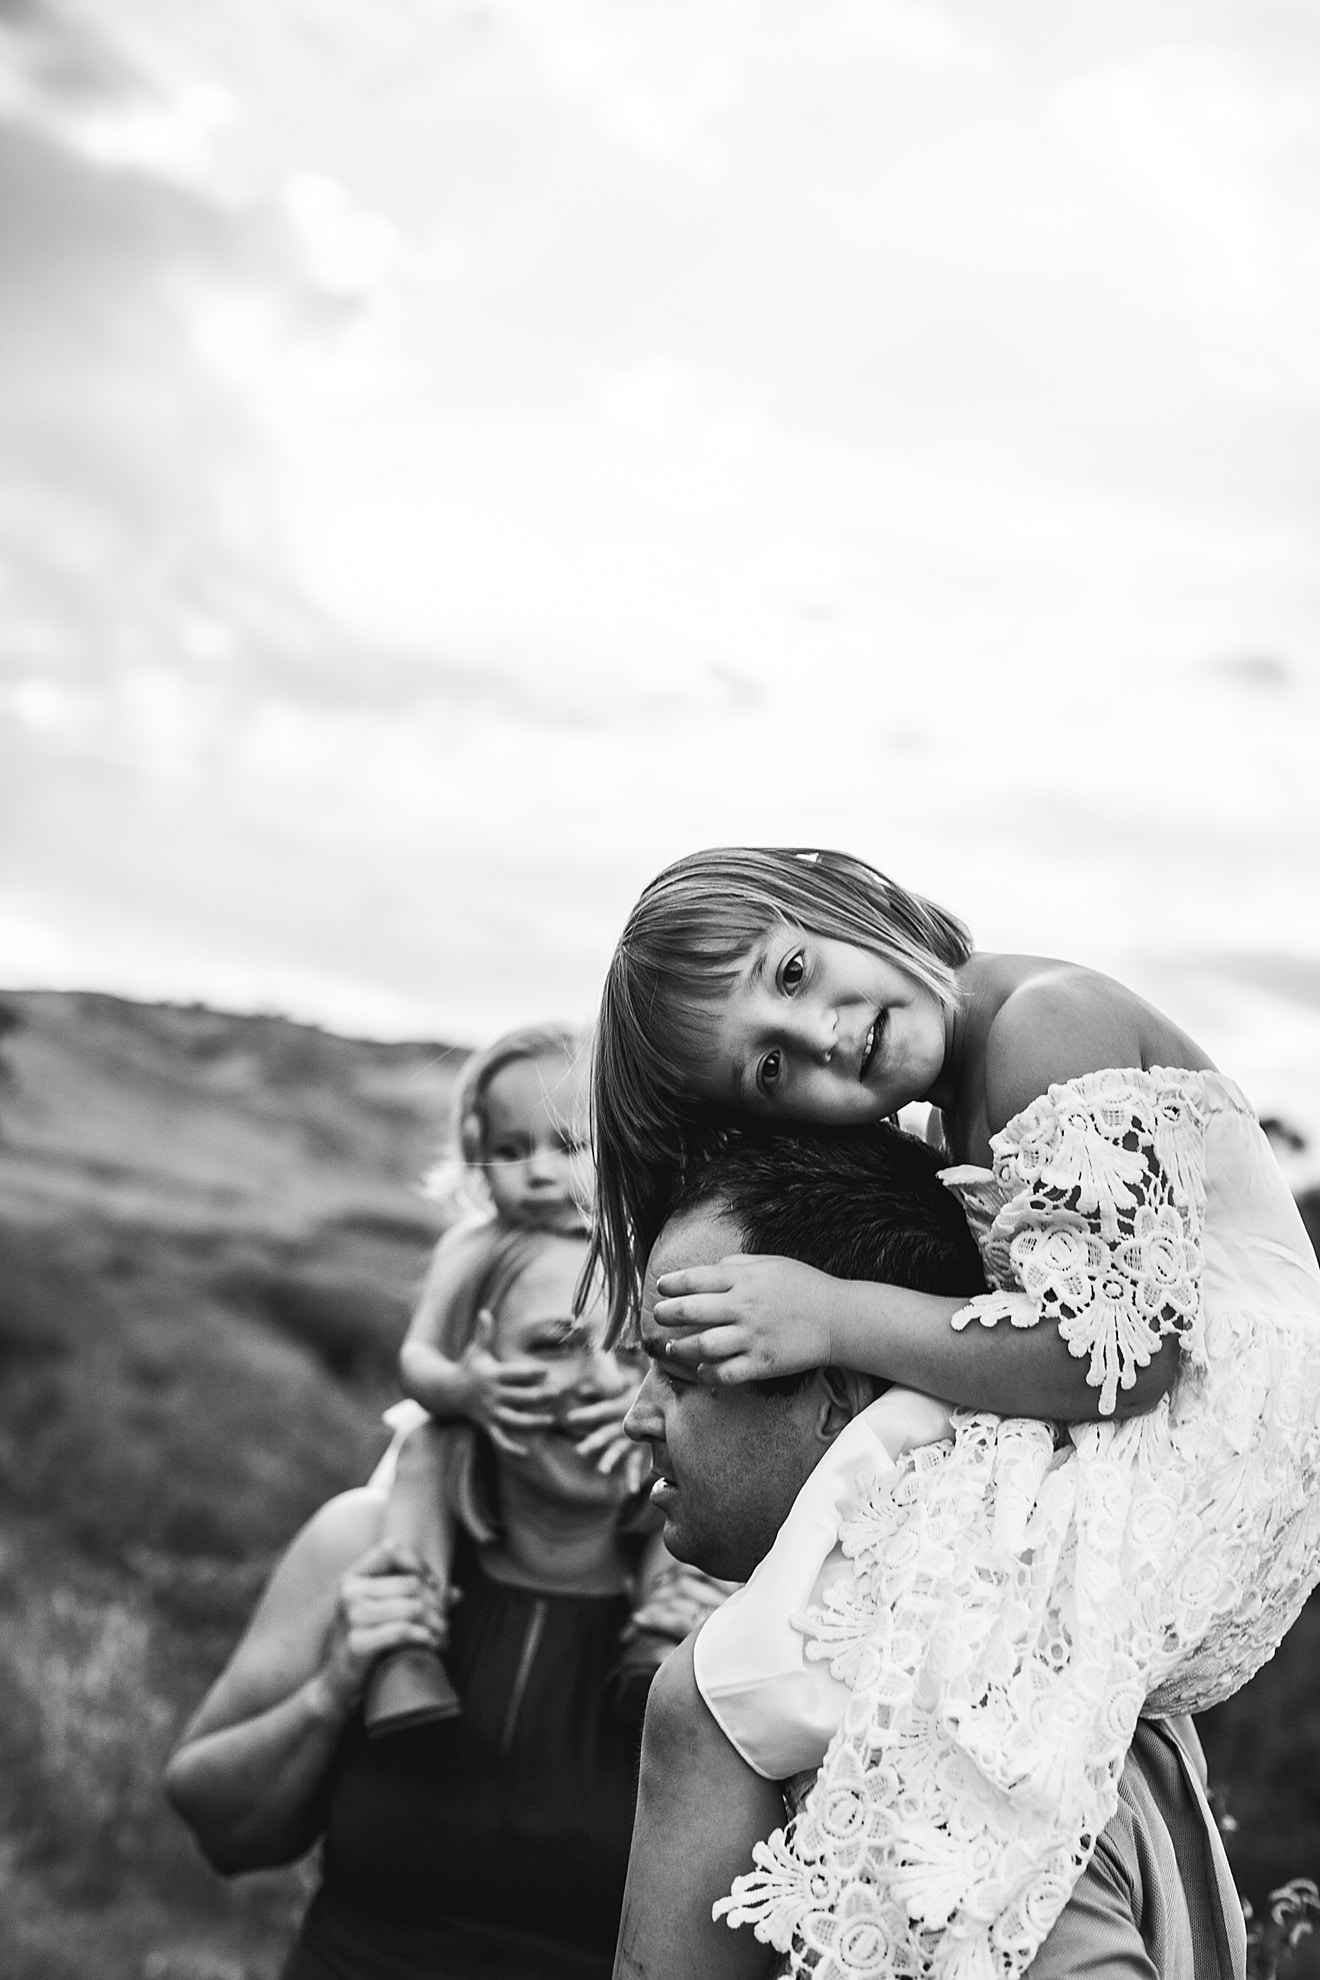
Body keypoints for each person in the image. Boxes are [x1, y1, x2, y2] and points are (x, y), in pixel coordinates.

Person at [588, 844, 1320, 1977]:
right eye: (772, 1073)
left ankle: (796, 1780)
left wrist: (832, 1313)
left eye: (789, 975)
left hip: (1207, 1430)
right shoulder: (966, 1098)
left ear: (840, 893)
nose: (821, 1036)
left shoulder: (1044, 1026)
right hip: (1165, 1437)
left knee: (892, 1610)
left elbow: (1117, 1352)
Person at [617, 1121, 1248, 1980]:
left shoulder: (966, 1751)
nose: (636, 1417)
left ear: (837, 1397)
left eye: (684, 1372)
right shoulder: (1077, 1650)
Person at [164, 1224, 703, 1980]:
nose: (598, 1386)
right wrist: (334, 1688)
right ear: (466, 1361)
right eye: (553, 1344)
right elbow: (222, 1830)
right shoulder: (362, 1542)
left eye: (633, 1354)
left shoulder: (726, 1597)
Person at [366, 1023, 643, 1731]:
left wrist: (638, 1396)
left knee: (670, 1463)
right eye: (510, 1152)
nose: (540, 1172)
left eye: (566, 1146)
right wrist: (464, 1390)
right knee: (425, 1450)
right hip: (471, 1427)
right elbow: (417, 1360)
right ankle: (404, 1647)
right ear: (475, 1156)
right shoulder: (473, 1243)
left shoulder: (634, 1236)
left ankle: (664, 1626)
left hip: (616, 1436)